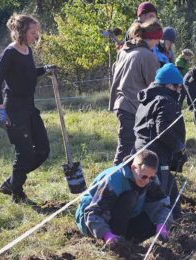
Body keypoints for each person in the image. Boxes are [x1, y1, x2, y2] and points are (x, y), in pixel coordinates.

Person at [0, 14, 55, 203]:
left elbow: (27, 73)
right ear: (21, 32)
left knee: (43, 150)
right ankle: (17, 194)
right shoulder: (9, 53)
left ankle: (12, 182)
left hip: (29, 107)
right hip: (14, 109)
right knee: (25, 153)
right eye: (33, 32)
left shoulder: (27, 50)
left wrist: (45, 69)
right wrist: (1, 110)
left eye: (37, 32)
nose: (36, 36)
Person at [75, 150, 172, 247]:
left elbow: (162, 206)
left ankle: (126, 243)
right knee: (129, 198)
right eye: (144, 177)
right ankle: (116, 243)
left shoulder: (150, 179)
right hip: (91, 222)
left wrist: (162, 225)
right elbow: (93, 213)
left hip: (125, 218)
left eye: (151, 177)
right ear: (134, 168)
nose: (147, 181)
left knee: (155, 221)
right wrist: (106, 234)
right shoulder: (113, 180)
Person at [134, 63, 187, 219]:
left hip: (142, 148)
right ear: (169, 85)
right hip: (156, 153)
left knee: (168, 183)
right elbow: (163, 130)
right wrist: (179, 147)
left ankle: (176, 216)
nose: (179, 91)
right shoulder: (165, 100)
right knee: (159, 190)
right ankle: (159, 223)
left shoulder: (147, 99)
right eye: (178, 87)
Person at [109, 19, 163, 165]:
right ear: (153, 37)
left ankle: (130, 182)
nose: (158, 43)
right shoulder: (147, 55)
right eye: (158, 39)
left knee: (130, 149)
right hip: (132, 107)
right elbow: (154, 86)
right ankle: (110, 183)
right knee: (125, 153)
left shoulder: (126, 50)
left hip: (121, 104)